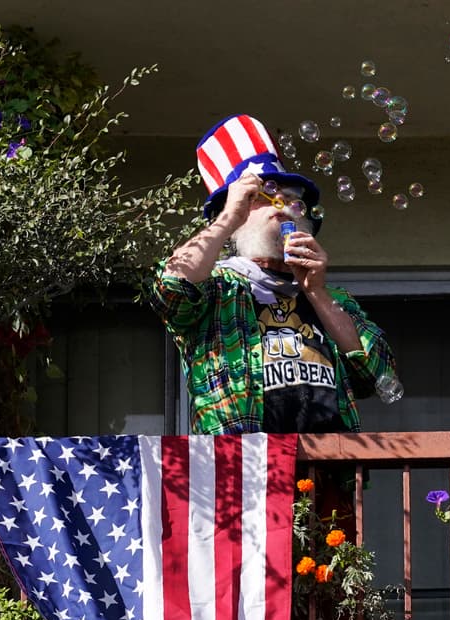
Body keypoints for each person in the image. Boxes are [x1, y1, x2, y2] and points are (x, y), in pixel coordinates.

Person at [150, 114, 398, 435]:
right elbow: (171, 288)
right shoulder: (217, 289)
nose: (281, 202)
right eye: (262, 196)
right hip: (244, 463)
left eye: (292, 197)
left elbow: (377, 375)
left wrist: (317, 293)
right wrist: (228, 217)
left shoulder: (332, 298)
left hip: (326, 464)